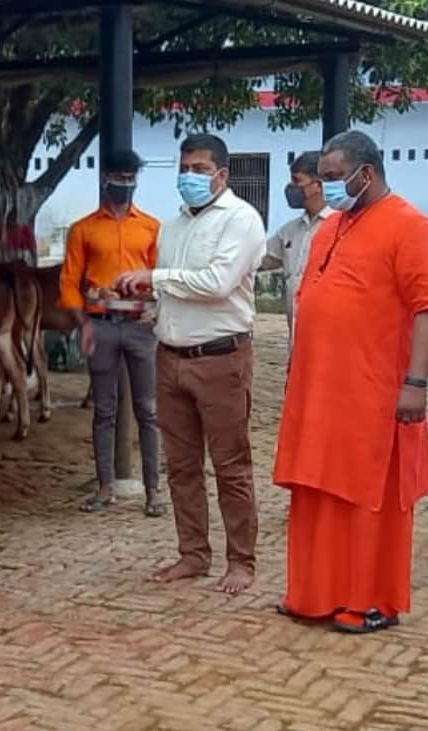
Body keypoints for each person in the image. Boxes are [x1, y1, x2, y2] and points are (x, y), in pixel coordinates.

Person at [273, 130, 428, 633]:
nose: (325, 188)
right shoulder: (331, 228)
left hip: (374, 392)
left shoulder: (411, 226)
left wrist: (415, 383)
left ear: (364, 174)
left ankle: (371, 600)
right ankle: (312, 593)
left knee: (367, 497)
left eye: (332, 178)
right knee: (316, 490)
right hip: (319, 389)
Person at [117, 134, 266, 594]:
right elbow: (174, 290)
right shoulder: (174, 225)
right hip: (171, 355)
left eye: (200, 169)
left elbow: (218, 282)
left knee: (230, 465)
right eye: (184, 168)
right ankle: (193, 554)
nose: (189, 177)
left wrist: (155, 277)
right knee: (180, 466)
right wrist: (144, 301)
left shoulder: (242, 220)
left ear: (222, 174)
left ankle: (241, 561)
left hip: (220, 357)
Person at [59, 148, 164, 517]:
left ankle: (154, 490)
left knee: (148, 409)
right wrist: (82, 324)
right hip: (100, 325)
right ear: (105, 178)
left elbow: (160, 276)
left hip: (139, 326)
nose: (124, 184)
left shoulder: (151, 227)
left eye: (130, 177)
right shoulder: (83, 229)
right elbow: (70, 282)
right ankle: (105, 487)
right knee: (104, 409)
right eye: (118, 177)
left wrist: (151, 304)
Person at [261, 150, 334, 345]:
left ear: (317, 186)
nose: (290, 187)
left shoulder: (340, 226)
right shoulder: (290, 231)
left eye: (296, 181)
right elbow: (258, 258)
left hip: (331, 340)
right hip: (296, 340)